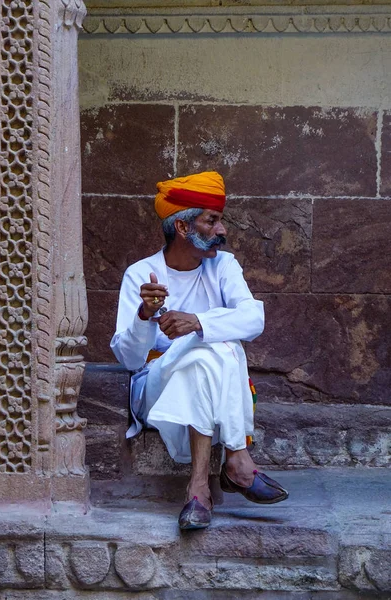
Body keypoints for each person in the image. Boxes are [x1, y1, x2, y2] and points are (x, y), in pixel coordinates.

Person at [110, 171, 288, 529]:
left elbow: (253, 318)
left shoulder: (223, 265)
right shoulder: (141, 274)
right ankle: (237, 460)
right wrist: (145, 315)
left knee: (205, 352)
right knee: (213, 345)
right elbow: (130, 360)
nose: (222, 230)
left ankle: (198, 490)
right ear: (183, 227)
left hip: (202, 382)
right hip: (156, 390)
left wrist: (198, 323)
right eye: (212, 220)